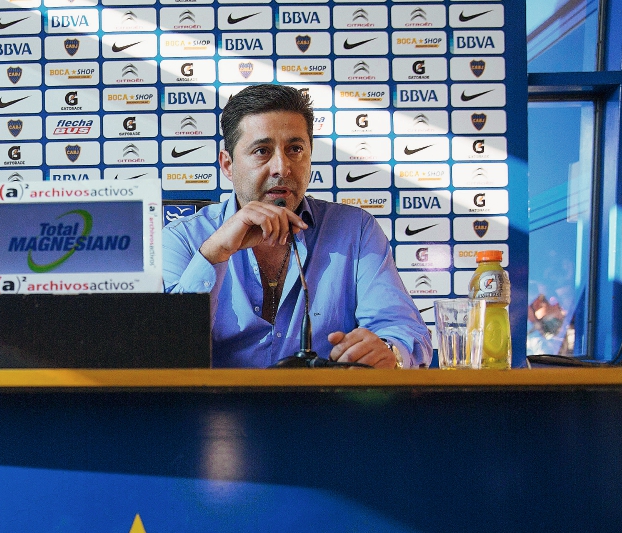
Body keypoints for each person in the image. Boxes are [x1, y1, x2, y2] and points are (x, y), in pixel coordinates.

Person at [163, 85, 432, 368]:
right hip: (214, 410)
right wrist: (213, 255)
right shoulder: (184, 239)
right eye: (262, 151)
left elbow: (404, 330)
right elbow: (166, 352)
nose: (282, 167)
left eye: (295, 149)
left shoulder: (355, 230)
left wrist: (390, 352)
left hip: (326, 409)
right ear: (228, 165)